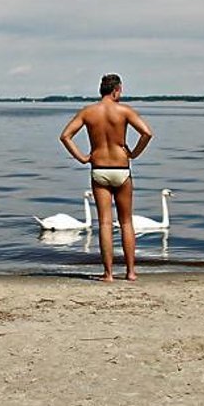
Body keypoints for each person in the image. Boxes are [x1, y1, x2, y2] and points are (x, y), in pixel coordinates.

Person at [60, 73, 153, 282]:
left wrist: (83, 158)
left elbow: (65, 136)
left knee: (104, 223)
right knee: (126, 222)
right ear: (116, 90)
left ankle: (108, 274)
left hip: (99, 168)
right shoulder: (124, 111)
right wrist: (134, 154)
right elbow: (147, 133)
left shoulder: (88, 112)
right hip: (121, 168)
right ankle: (130, 272)